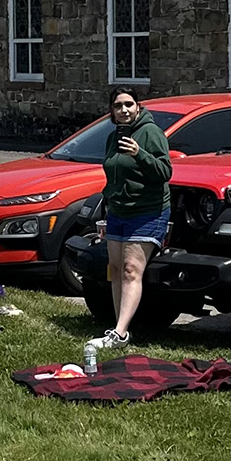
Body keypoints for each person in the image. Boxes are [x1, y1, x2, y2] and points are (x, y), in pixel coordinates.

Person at [88, 86, 172, 350]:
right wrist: (107, 202)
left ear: (138, 106)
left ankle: (120, 333)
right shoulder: (114, 136)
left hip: (147, 211)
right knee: (114, 269)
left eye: (128, 104)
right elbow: (113, 173)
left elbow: (164, 171)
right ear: (111, 111)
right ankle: (118, 328)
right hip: (119, 212)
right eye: (118, 106)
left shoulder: (150, 133)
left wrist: (140, 154)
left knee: (130, 269)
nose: (123, 110)